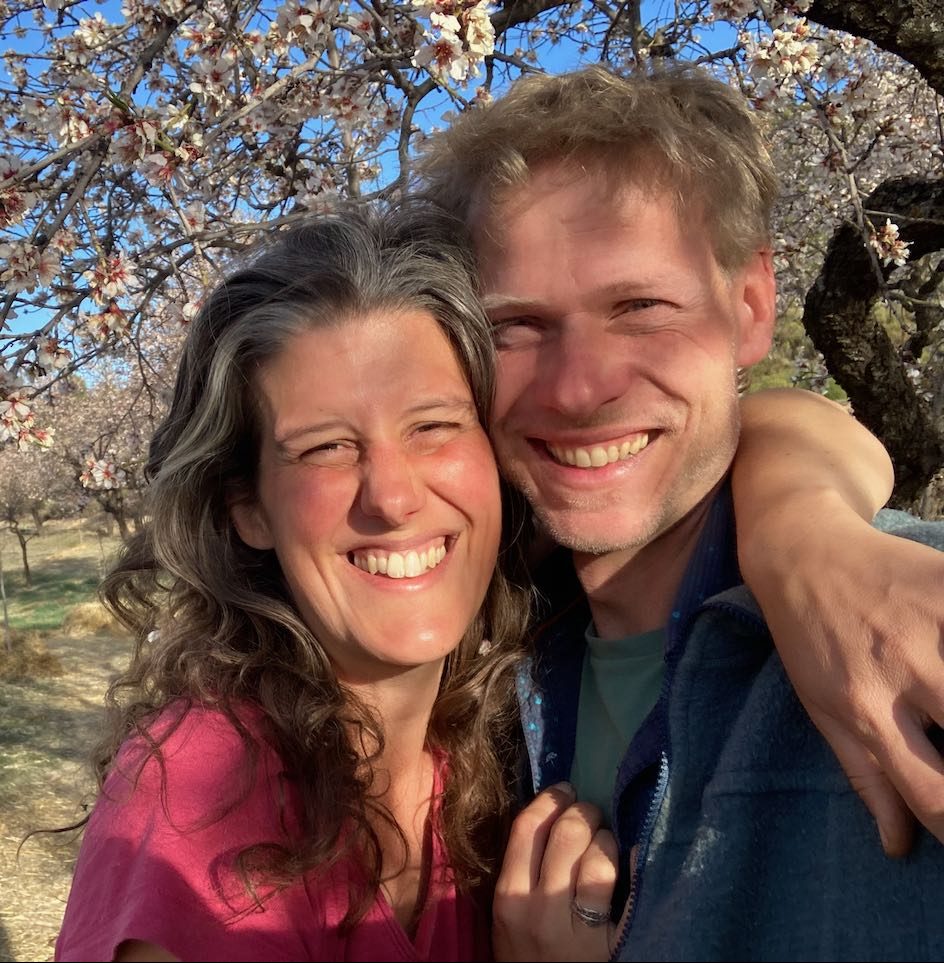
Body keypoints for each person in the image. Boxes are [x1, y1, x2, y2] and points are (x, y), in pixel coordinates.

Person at [416, 64, 944, 960]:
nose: (581, 388)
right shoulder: (465, 668)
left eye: (640, 307)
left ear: (750, 306)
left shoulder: (902, 640)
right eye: (518, 327)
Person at [55, 204, 536, 962]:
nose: (393, 495)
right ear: (248, 505)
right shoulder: (202, 802)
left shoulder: (487, 753)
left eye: (434, 426)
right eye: (326, 447)